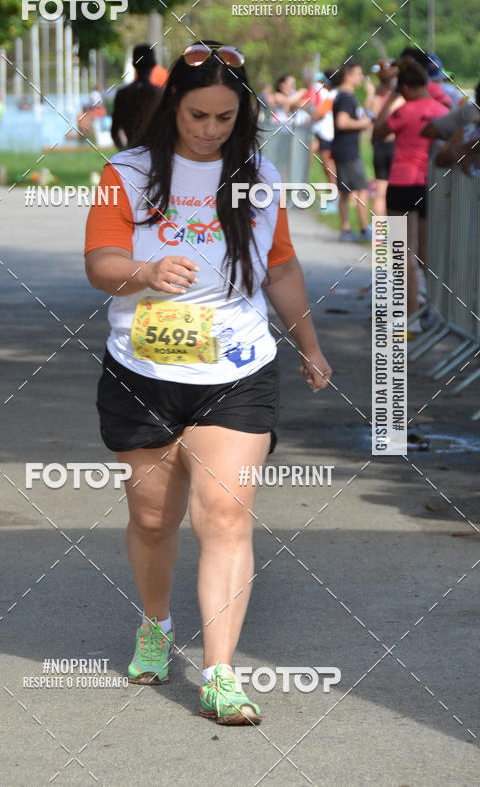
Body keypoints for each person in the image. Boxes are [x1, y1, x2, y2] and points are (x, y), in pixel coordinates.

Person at [84, 40, 331, 725]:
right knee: (153, 517)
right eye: (199, 115)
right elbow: (100, 260)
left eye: (225, 118)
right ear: (173, 110)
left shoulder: (259, 174)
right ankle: (156, 625)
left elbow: (279, 267)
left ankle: (221, 672)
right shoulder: (127, 172)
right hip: (142, 369)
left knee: (223, 517)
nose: (211, 130)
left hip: (237, 368)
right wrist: (145, 272)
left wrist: (309, 346)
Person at [372, 56, 447, 323]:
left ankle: (411, 313)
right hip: (429, 184)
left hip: (402, 183)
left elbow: (377, 133)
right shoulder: (440, 110)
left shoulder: (404, 111)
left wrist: (391, 97)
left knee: (402, 253)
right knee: (427, 251)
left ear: (403, 87)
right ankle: (438, 309)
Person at [331, 61, 372, 241]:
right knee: (362, 188)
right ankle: (363, 230)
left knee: (345, 190)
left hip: (344, 149)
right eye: (358, 74)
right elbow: (342, 122)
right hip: (347, 150)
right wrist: (362, 124)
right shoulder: (346, 97)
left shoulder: (344, 96)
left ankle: (346, 229)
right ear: (348, 76)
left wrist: (370, 96)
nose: (361, 77)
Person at [365, 60, 400, 216]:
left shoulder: (375, 98)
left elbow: (369, 119)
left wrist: (369, 93)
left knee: (379, 193)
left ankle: (379, 237)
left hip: (379, 146)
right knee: (395, 193)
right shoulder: (399, 99)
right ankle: (396, 237)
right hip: (394, 145)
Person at [111, 45, 162, 150]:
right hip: (154, 154)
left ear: (133, 64)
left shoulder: (122, 94)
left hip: (131, 151)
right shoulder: (160, 94)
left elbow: (114, 131)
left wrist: (125, 152)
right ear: (154, 65)